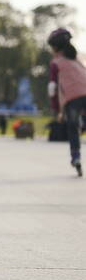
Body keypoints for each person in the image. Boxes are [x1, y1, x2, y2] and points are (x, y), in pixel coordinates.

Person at [47, 28, 86, 176]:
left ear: (55, 47)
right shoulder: (79, 58)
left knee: (73, 127)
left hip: (73, 98)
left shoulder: (56, 62)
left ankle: (76, 157)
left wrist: (56, 109)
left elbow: (52, 88)